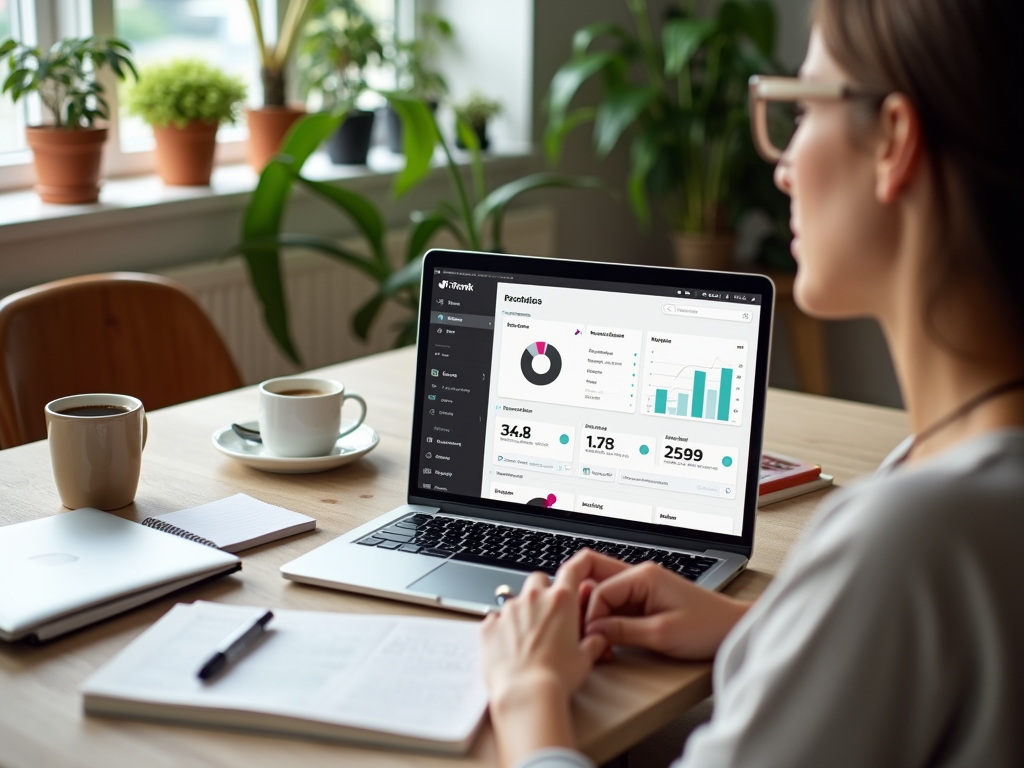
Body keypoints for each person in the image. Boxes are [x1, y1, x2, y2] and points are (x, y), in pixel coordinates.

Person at [480, 0, 1024, 765]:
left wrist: (528, 696)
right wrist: (778, 629)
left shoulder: (908, 537)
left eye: (801, 110)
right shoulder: (967, 472)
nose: (784, 163)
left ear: (894, 141)